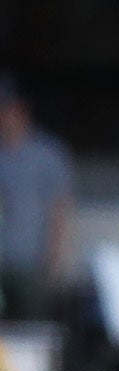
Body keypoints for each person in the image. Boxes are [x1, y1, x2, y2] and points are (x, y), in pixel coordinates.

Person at [0, 78, 81, 325]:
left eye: (7, 109)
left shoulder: (48, 154)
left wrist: (54, 258)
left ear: (22, 110)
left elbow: (60, 209)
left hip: (32, 263)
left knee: (33, 332)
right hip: (2, 259)